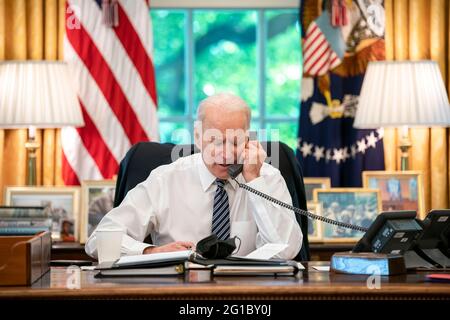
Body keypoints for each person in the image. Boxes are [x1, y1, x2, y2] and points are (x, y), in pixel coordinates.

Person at [85, 93, 302, 260]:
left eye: (235, 142)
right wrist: (152, 251)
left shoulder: (267, 177)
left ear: (248, 138)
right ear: (198, 137)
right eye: (216, 141)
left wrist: (255, 181)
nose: (225, 153)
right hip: (179, 289)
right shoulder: (166, 179)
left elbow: (287, 250)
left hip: (246, 292)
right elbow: (99, 241)